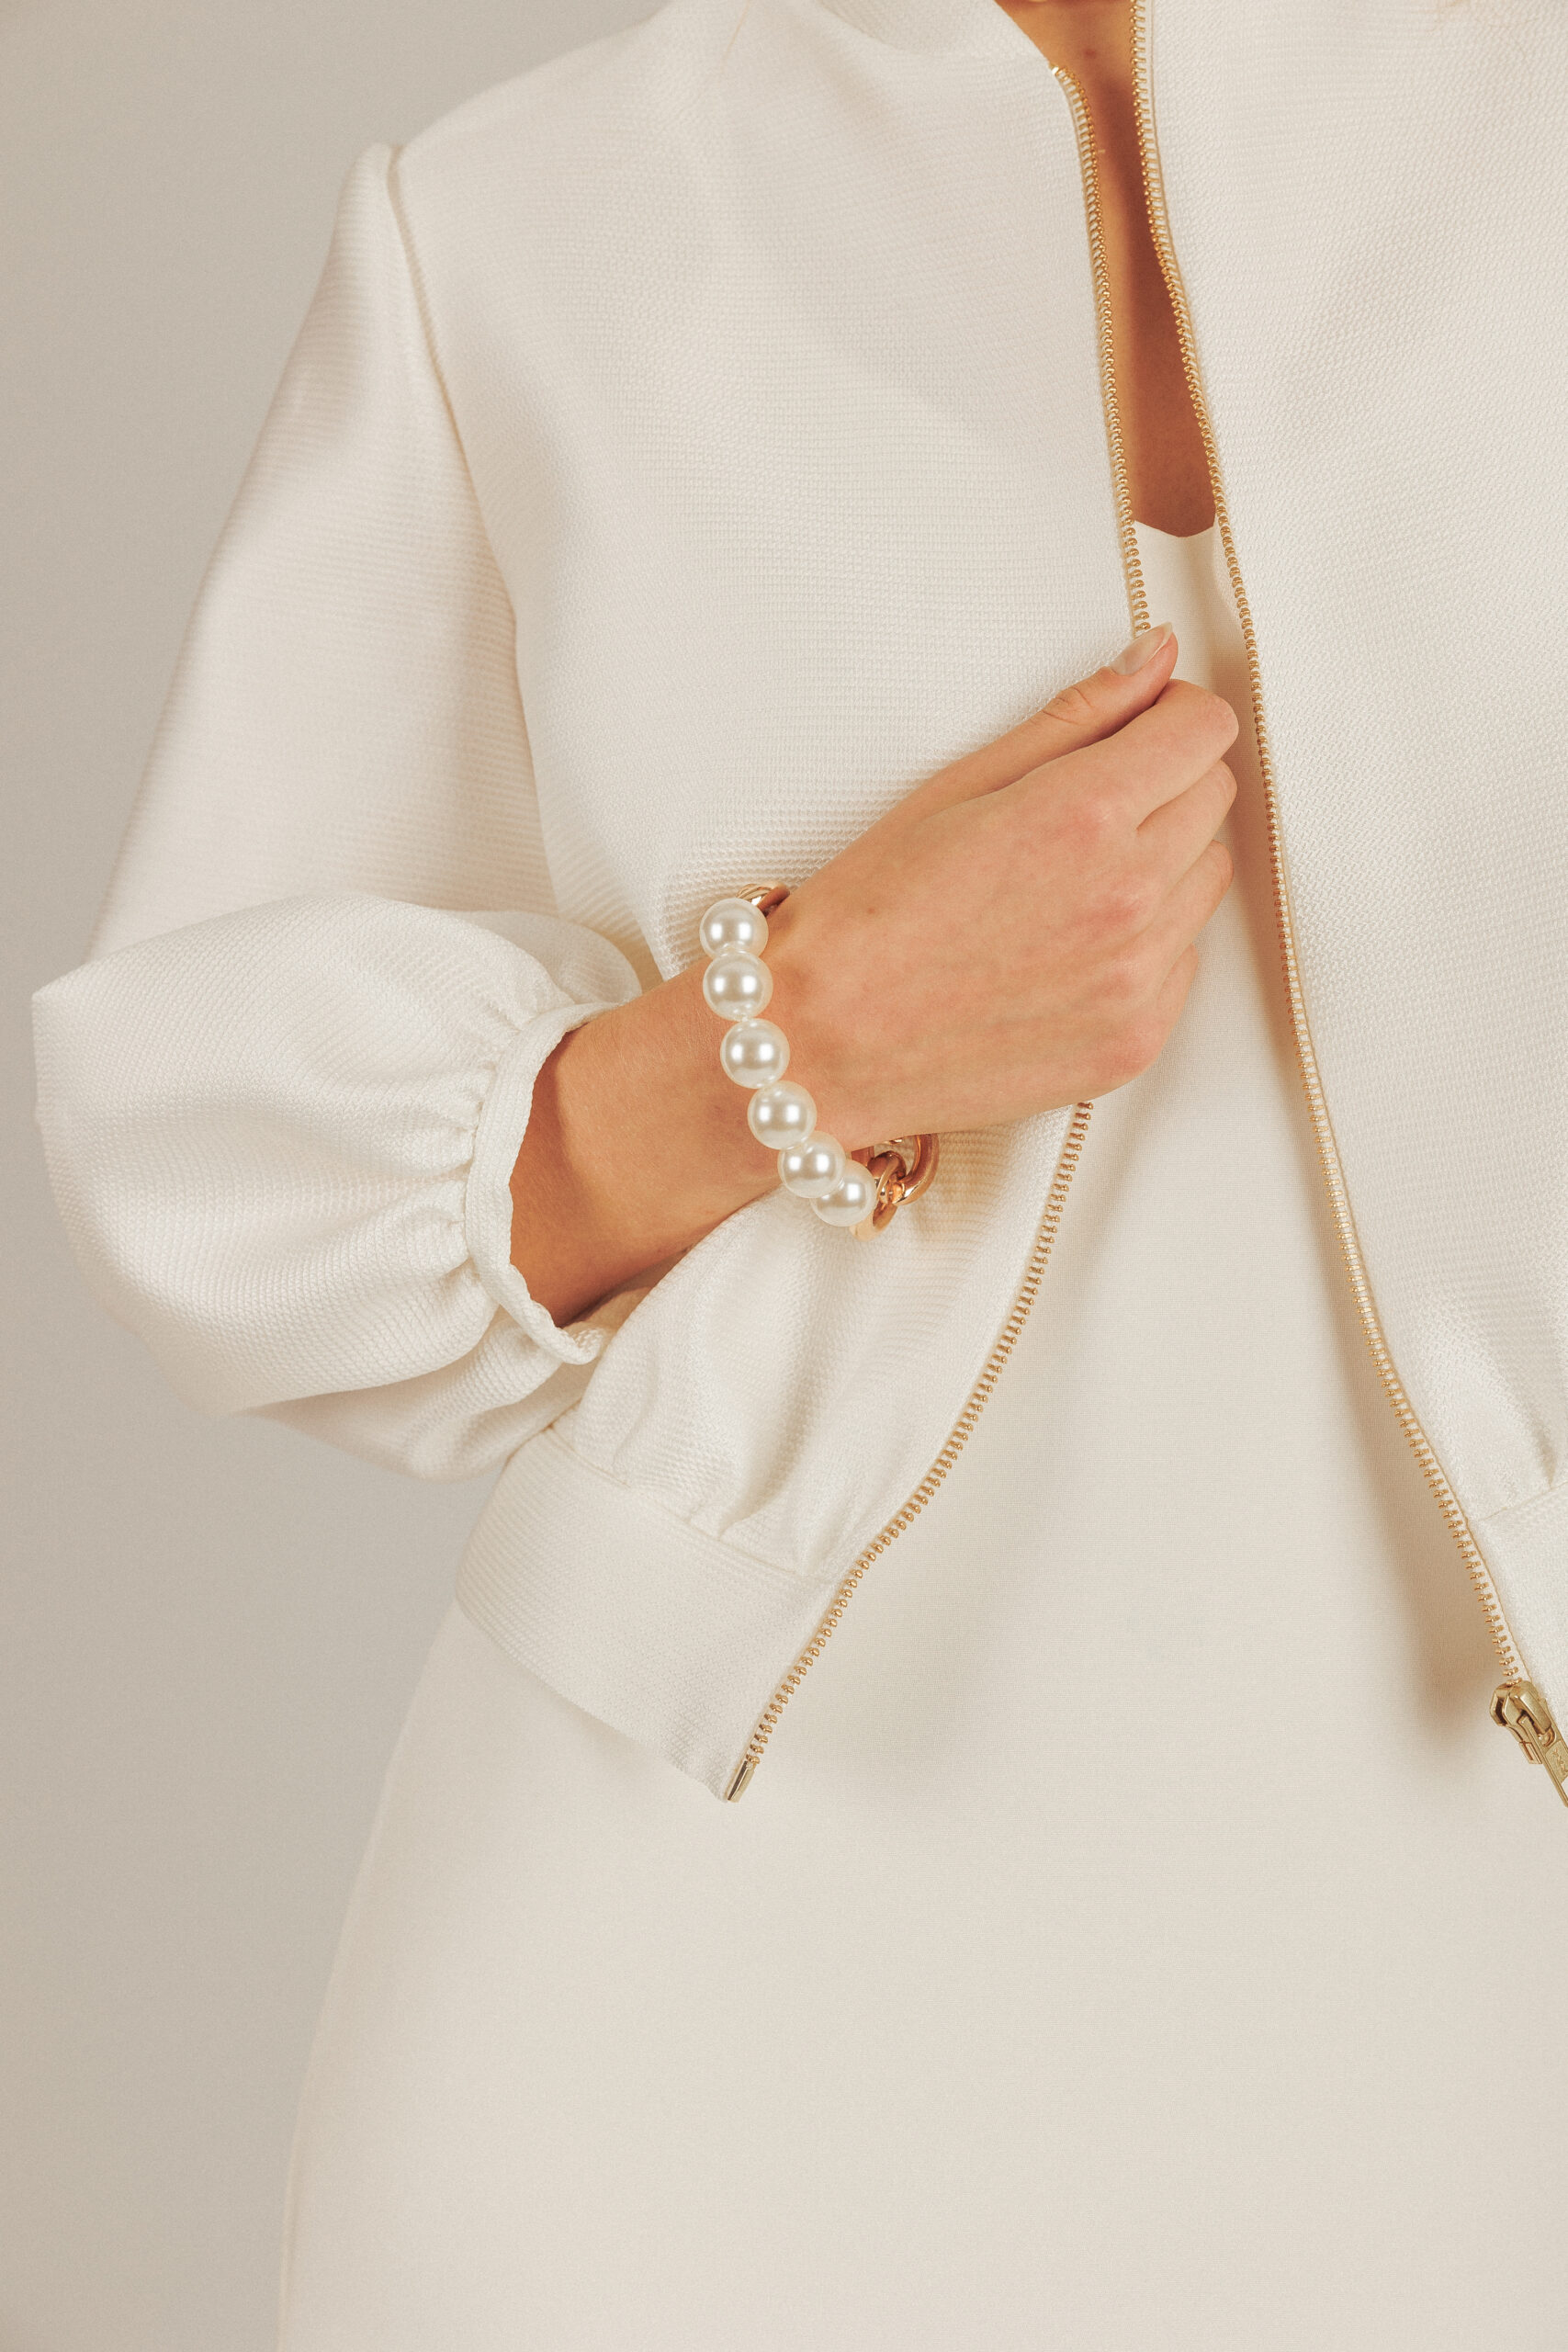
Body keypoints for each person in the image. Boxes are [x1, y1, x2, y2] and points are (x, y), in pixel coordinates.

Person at [32, 0, 1568, 2341]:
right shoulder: (521, 219)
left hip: (1468, 1994)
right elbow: (227, 1188)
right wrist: (809, 1028)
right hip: (688, 1974)